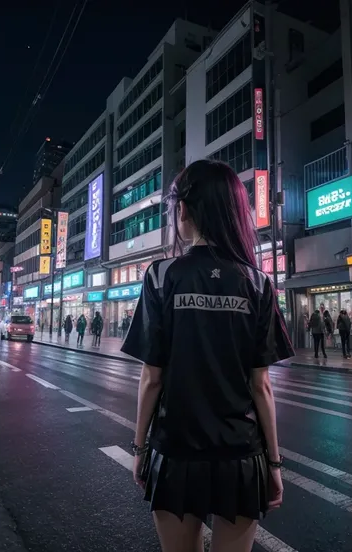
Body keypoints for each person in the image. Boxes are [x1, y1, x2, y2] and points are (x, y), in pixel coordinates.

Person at [123, 160, 292, 552]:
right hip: (241, 457)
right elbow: (261, 386)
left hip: (177, 453)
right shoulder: (257, 282)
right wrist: (275, 464)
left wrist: (140, 449)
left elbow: (152, 378)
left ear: (183, 209)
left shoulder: (161, 275)